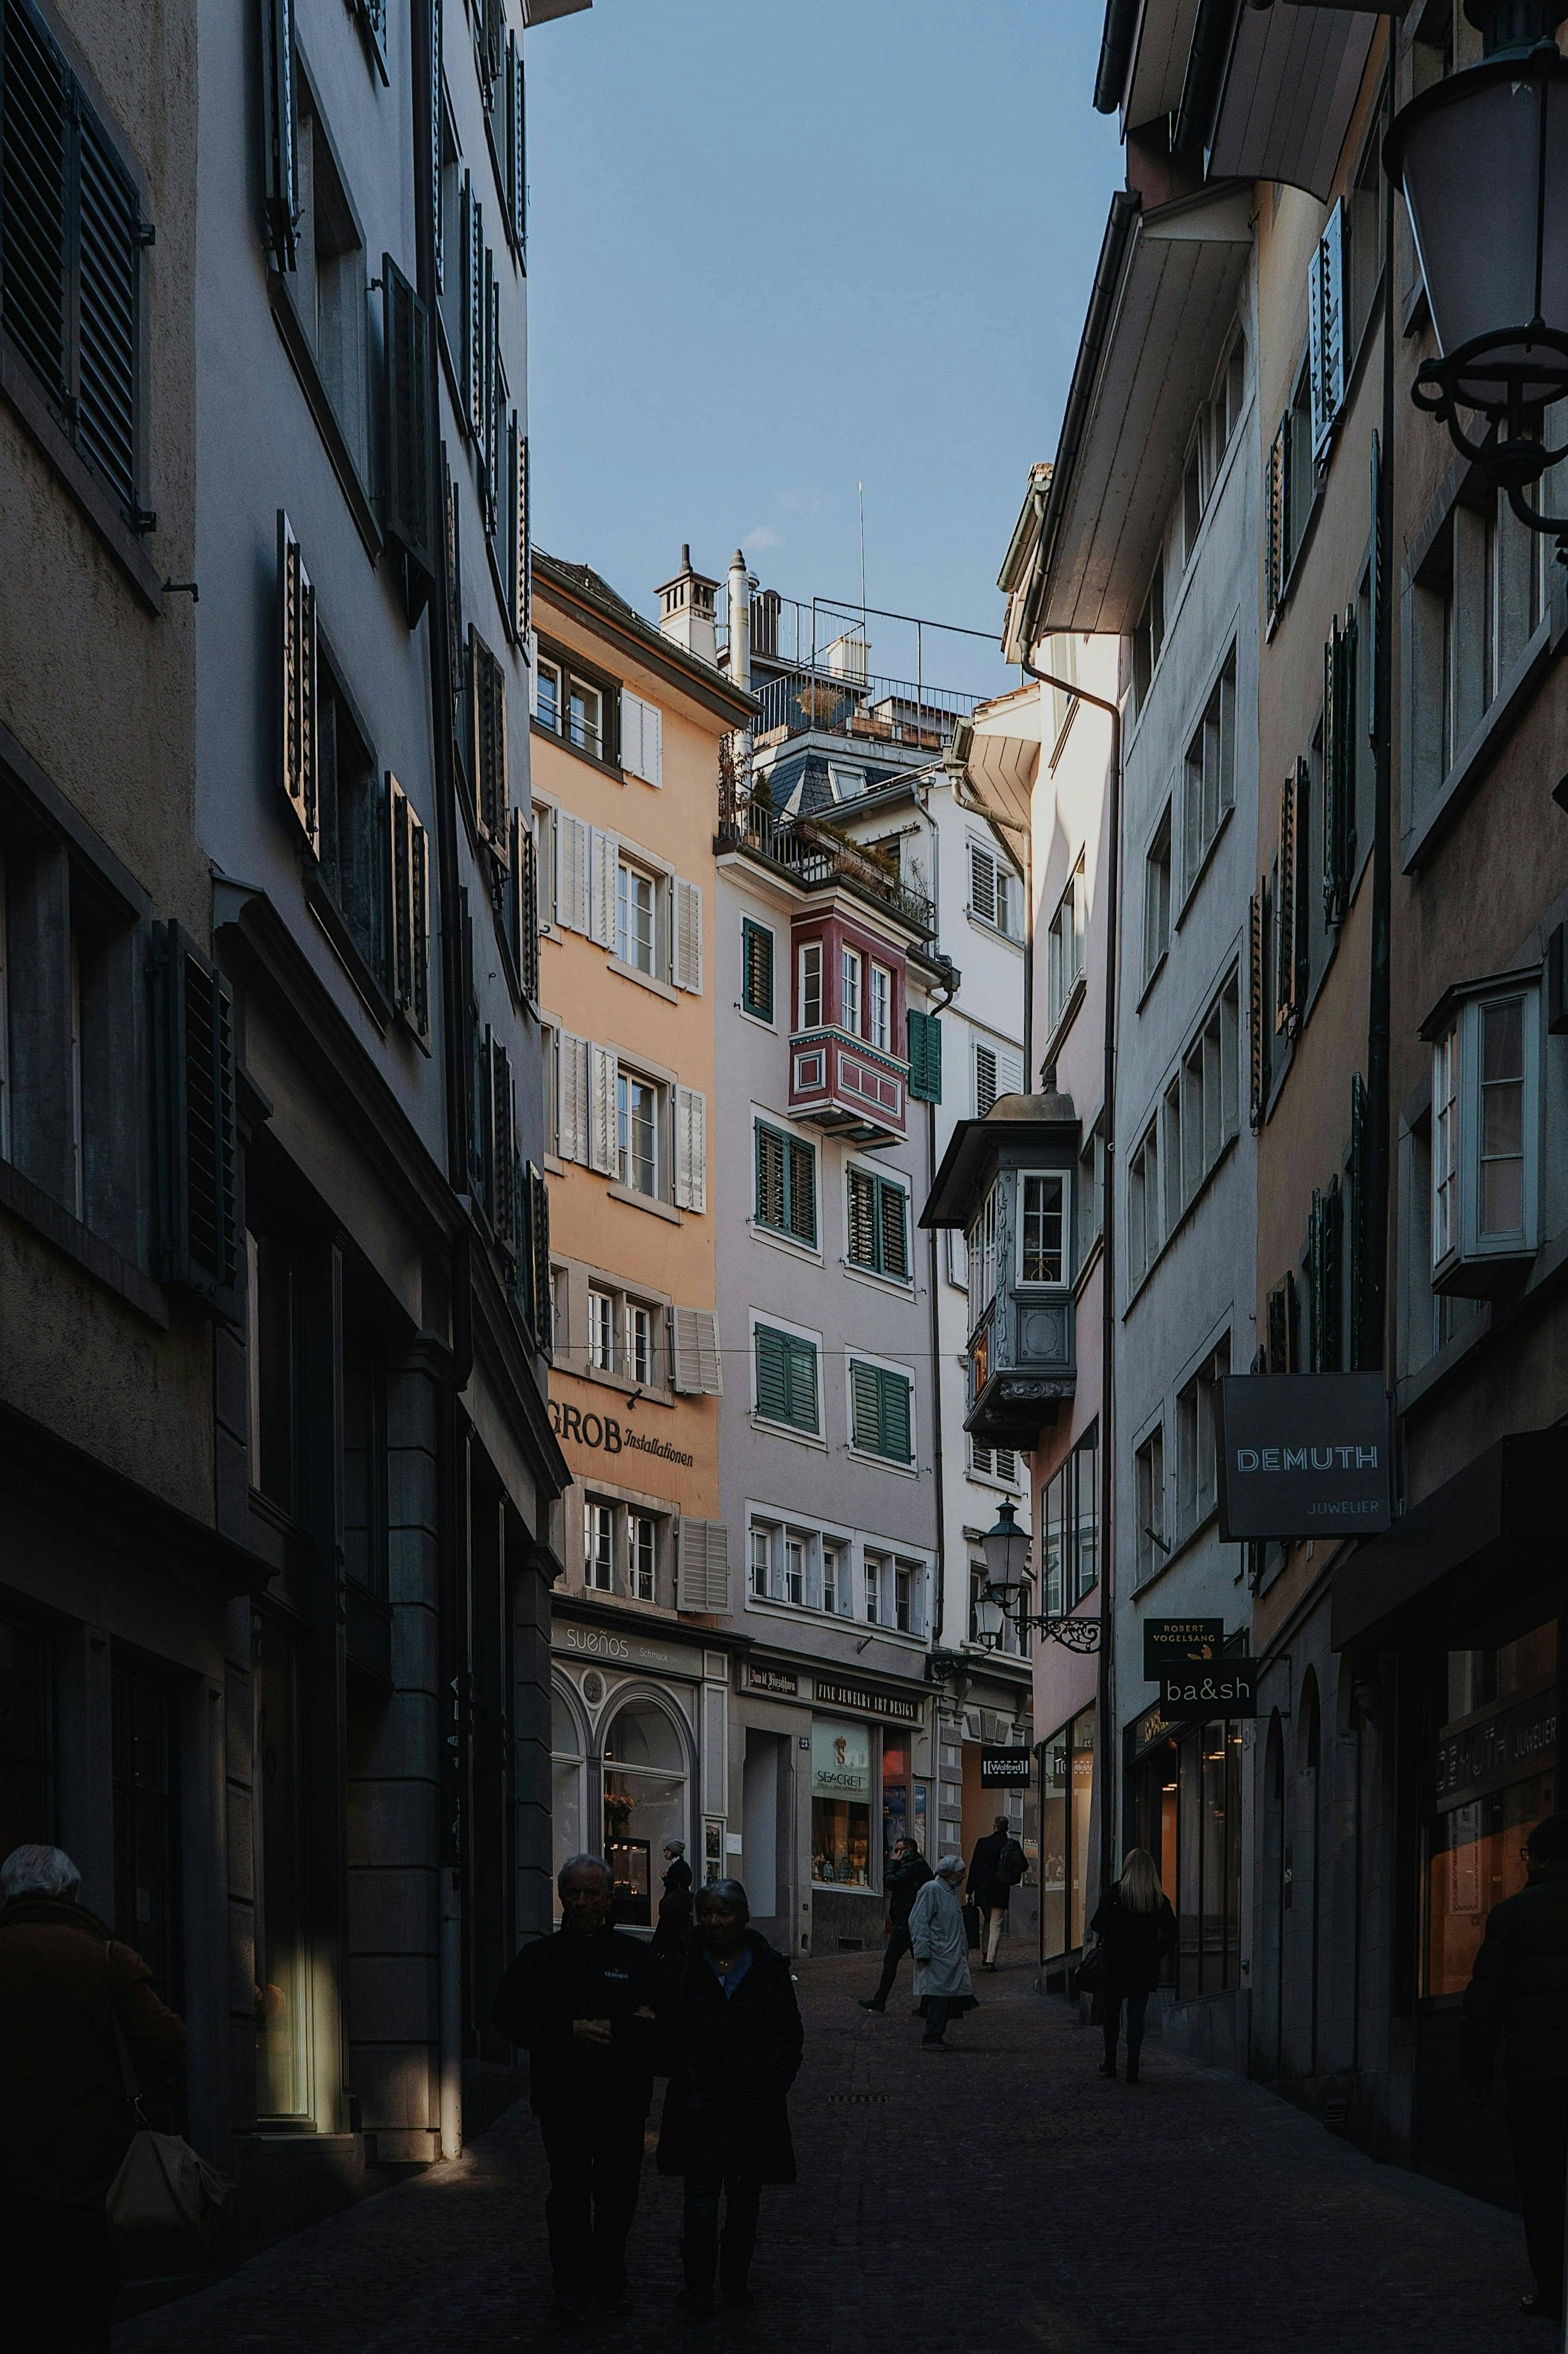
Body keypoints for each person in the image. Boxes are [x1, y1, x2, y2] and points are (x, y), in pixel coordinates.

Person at [0, 1842, 186, 2353]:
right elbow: (167, 2041)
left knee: (16, 2318)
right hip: (89, 2181)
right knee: (81, 2316)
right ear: (71, 1893)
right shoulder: (106, 1958)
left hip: (8, 2186)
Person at [491, 1854, 662, 2328]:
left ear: (609, 1896)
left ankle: (610, 2280)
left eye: (592, 1893)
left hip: (622, 2100)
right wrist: (566, 2031)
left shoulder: (636, 1958)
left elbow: (667, 2022)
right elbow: (507, 2016)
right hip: (563, 2099)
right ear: (561, 1896)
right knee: (568, 2195)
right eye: (574, 1894)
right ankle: (569, 2284)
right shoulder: (540, 1959)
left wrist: (620, 2029)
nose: (583, 1903)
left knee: (617, 2197)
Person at [656, 1878, 803, 2317]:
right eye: (708, 1914)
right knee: (699, 2199)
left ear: (742, 1916)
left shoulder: (769, 1967)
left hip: (752, 2106)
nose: (715, 1922)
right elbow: (664, 2029)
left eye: (724, 1913)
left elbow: (789, 2036)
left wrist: (770, 2086)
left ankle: (736, 2283)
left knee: (745, 2201)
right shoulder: (682, 1964)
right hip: (697, 2102)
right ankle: (698, 2286)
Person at [1461, 1810, 1568, 2322]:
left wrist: (1477, 2073)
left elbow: (1484, 2006)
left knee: (1542, 2183)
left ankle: (1554, 2288)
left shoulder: (1512, 1915)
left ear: (1543, 1859)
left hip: (1537, 2077)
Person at [1089, 1848, 1176, 2083]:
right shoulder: (1156, 1898)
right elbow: (1172, 1933)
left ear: (1127, 1867)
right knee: (1136, 2016)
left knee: (1112, 2014)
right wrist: (1155, 1952)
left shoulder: (1116, 1893)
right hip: (1143, 1964)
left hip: (1115, 1962)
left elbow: (1097, 1924)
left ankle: (1110, 2062)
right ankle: (1133, 2066)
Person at [908, 1853, 977, 2048]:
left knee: (947, 1999)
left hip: (950, 1956)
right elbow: (918, 1921)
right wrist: (923, 1951)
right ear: (951, 1874)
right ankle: (931, 2037)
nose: (964, 1877)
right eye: (961, 1873)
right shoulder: (931, 1890)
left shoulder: (948, 1893)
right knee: (939, 1999)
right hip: (939, 1956)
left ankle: (935, 2036)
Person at [859, 1837, 932, 2014]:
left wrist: (892, 1863)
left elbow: (891, 1881)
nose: (896, 1853)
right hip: (913, 1920)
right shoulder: (921, 1866)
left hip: (906, 1921)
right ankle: (927, 2004)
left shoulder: (911, 1866)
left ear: (908, 1850)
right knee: (920, 1962)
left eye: (899, 1850)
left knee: (892, 1960)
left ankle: (880, 2000)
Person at [967, 1813, 1028, 1972]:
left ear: (994, 1827)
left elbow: (974, 1867)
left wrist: (969, 1890)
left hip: (982, 1889)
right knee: (996, 1924)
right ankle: (990, 1960)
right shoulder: (1012, 1844)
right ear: (1007, 1828)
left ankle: (985, 1952)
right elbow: (1024, 1865)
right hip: (1001, 1888)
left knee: (987, 1920)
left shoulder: (983, 1843)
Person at [651, 1840, 694, 1954]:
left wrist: (666, 1879)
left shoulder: (679, 1867)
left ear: (673, 1852)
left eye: (667, 1851)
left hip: (674, 1909)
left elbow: (676, 1884)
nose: (666, 1853)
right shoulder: (681, 1867)